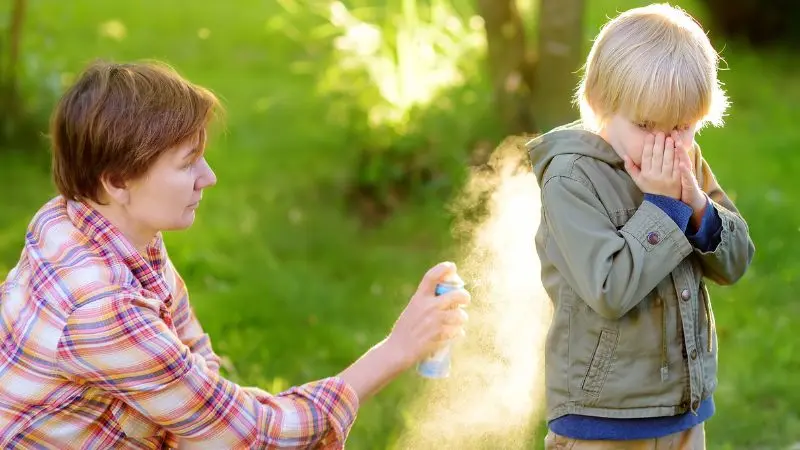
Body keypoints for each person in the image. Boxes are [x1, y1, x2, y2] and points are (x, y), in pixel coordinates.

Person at [0, 60, 470, 449]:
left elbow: (190, 347)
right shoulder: (101, 309)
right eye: (187, 164)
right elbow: (253, 438)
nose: (209, 177)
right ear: (117, 180)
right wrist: (397, 349)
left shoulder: (86, 219)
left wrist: (200, 417)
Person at [526, 3, 755, 449]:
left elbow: (737, 260)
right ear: (600, 106)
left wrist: (696, 207)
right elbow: (609, 289)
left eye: (683, 126)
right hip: (602, 419)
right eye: (647, 125)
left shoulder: (684, 163)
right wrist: (665, 205)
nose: (666, 143)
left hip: (683, 411)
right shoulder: (571, 177)